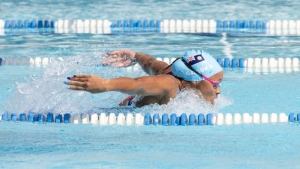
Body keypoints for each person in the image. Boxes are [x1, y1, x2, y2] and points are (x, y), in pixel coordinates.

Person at [65, 49, 223, 107]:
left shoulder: (172, 72)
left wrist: (135, 56)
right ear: (195, 79)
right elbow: (137, 84)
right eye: (215, 84)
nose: (218, 91)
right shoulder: (168, 84)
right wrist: (105, 85)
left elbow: (151, 63)